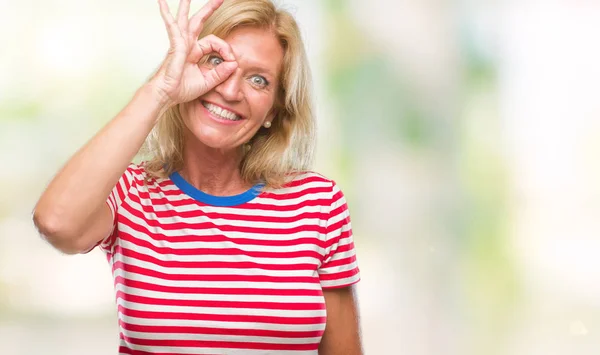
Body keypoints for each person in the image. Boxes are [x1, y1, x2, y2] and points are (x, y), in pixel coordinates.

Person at [33, 0, 362, 353]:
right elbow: (56, 223)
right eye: (216, 61)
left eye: (258, 80)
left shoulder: (317, 201)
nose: (231, 91)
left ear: (274, 108)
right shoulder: (130, 192)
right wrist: (160, 90)